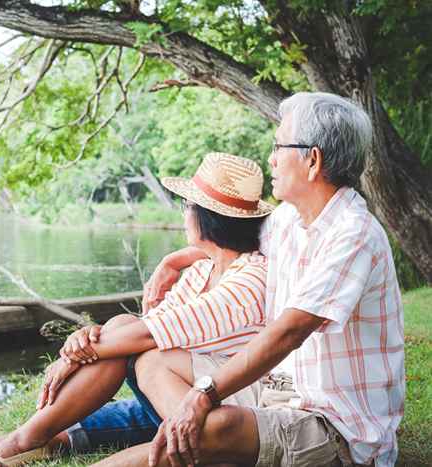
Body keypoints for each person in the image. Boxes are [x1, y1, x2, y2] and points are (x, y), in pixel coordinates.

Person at [0, 152, 274, 467]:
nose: (183, 213)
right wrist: (88, 338)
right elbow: (147, 324)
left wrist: (73, 352)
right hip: (172, 395)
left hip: (218, 407)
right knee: (81, 407)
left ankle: (9, 450)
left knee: (130, 343)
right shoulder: (203, 269)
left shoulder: (247, 280)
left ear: (206, 217)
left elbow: (147, 335)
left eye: (188, 205)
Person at [90, 92, 405, 467]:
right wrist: (176, 260)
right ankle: (197, 439)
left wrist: (204, 394)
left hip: (335, 427)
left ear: (312, 160)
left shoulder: (353, 235)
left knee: (212, 426)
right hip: (279, 393)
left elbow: (290, 331)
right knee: (153, 360)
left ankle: (202, 439)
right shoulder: (291, 219)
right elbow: (234, 241)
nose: (271, 158)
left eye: (279, 146)